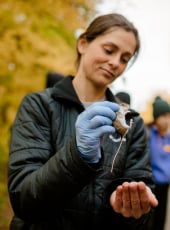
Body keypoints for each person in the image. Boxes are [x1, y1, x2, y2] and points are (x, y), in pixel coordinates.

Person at [8, 13, 158, 230]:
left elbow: (143, 214)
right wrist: (77, 156)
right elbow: (24, 200)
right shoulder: (39, 105)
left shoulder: (130, 121)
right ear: (83, 44)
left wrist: (127, 209)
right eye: (109, 50)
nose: (115, 62)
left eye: (125, 58)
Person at [146, 96, 170, 230]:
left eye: (169, 116)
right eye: (164, 116)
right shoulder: (148, 134)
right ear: (156, 117)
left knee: (161, 220)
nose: (167, 120)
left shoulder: (168, 137)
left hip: (165, 186)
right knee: (150, 221)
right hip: (151, 186)